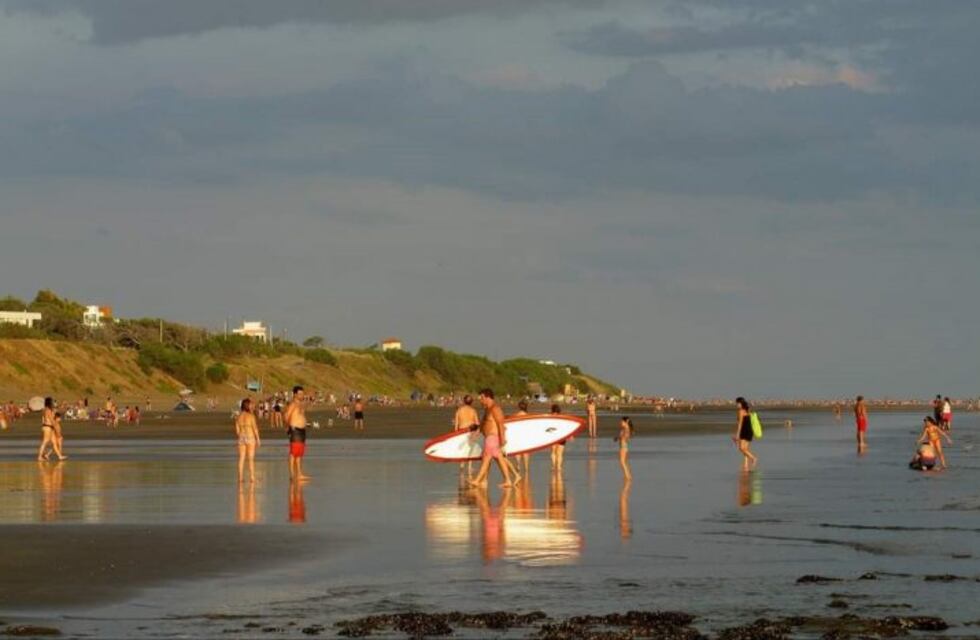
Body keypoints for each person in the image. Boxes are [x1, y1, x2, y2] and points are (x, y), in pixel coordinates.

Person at [469, 388, 517, 489]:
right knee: (498, 458)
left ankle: (478, 480)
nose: (480, 400)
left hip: (493, 438)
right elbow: (483, 423)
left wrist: (502, 440)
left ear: (487, 397)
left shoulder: (495, 409)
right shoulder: (487, 409)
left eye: (481, 398)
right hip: (490, 438)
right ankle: (507, 480)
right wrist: (477, 432)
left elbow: (500, 424)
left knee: (487, 457)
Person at [284, 385, 310, 481]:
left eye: (302, 393)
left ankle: (299, 474)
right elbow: (286, 415)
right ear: (295, 394)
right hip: (295, 430)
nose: (302, 395)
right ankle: (292, 474)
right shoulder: (293, 404)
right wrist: (288, 427)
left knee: (299, 453)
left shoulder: (300, 404)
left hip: (302, 430)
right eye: (300, 393)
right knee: (293, 453)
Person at [235, 398, 262, 484]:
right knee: (251, 459)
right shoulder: (251, 416)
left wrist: (241, 436)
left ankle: (240, 478)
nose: (251, 406)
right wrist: (258, 439)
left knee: (241, 458)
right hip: (250, 437)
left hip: (241, 438)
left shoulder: (238, 417)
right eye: (250, 405)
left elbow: (237, 431)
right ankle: (252, 478)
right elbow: (255, 428)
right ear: (247, 406)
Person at [453, 395, 480, 479]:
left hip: (461, 431)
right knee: (470, 449)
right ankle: (469, 467)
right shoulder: (473, 411)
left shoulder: (459, 410)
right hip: (471, 430)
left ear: (464, 401)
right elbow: (477, 423)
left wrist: (455, 433)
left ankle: (461, 466)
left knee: (463, 449)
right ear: (471, 402)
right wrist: (477, 432)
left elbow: (456, 424)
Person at [733, 397, 758, 470]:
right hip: (749, 430)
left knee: (741, 448)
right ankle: (746, 465)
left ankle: (753, 458)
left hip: (744, 431)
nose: (736, 405)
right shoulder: (748, 410)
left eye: (737, 403)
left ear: (741, 403)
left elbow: (740, 423)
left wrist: (737, 434)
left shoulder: (740, 411)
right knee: (745, 448)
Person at [37, 397, 66, 461]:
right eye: (52, 402)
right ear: (49, 402)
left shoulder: (45, 409)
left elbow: (44, 419)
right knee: (45, 442)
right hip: (48, 427)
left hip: (47, 427)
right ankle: (39, 457)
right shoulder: (48, 410)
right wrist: (56, 427)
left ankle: (59, 456)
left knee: (54, 443)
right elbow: (51, 420)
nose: (53, 403)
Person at [512, 400, 531, 477]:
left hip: (518, 435)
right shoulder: (528, 416)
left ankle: (518, 464)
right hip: (525, 435)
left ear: (519, 407)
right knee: (526, 453)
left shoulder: (516, 415)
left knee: (518, 452)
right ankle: (526, 469)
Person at [550, 403, 566, 472]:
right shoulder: (562, 417)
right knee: (560, 453)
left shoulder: (550, 417)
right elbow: (566, 427)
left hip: (553, 435)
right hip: (562, 436)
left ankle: (554, 466)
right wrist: (570, 435)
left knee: (553, 452)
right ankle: (559, 467)